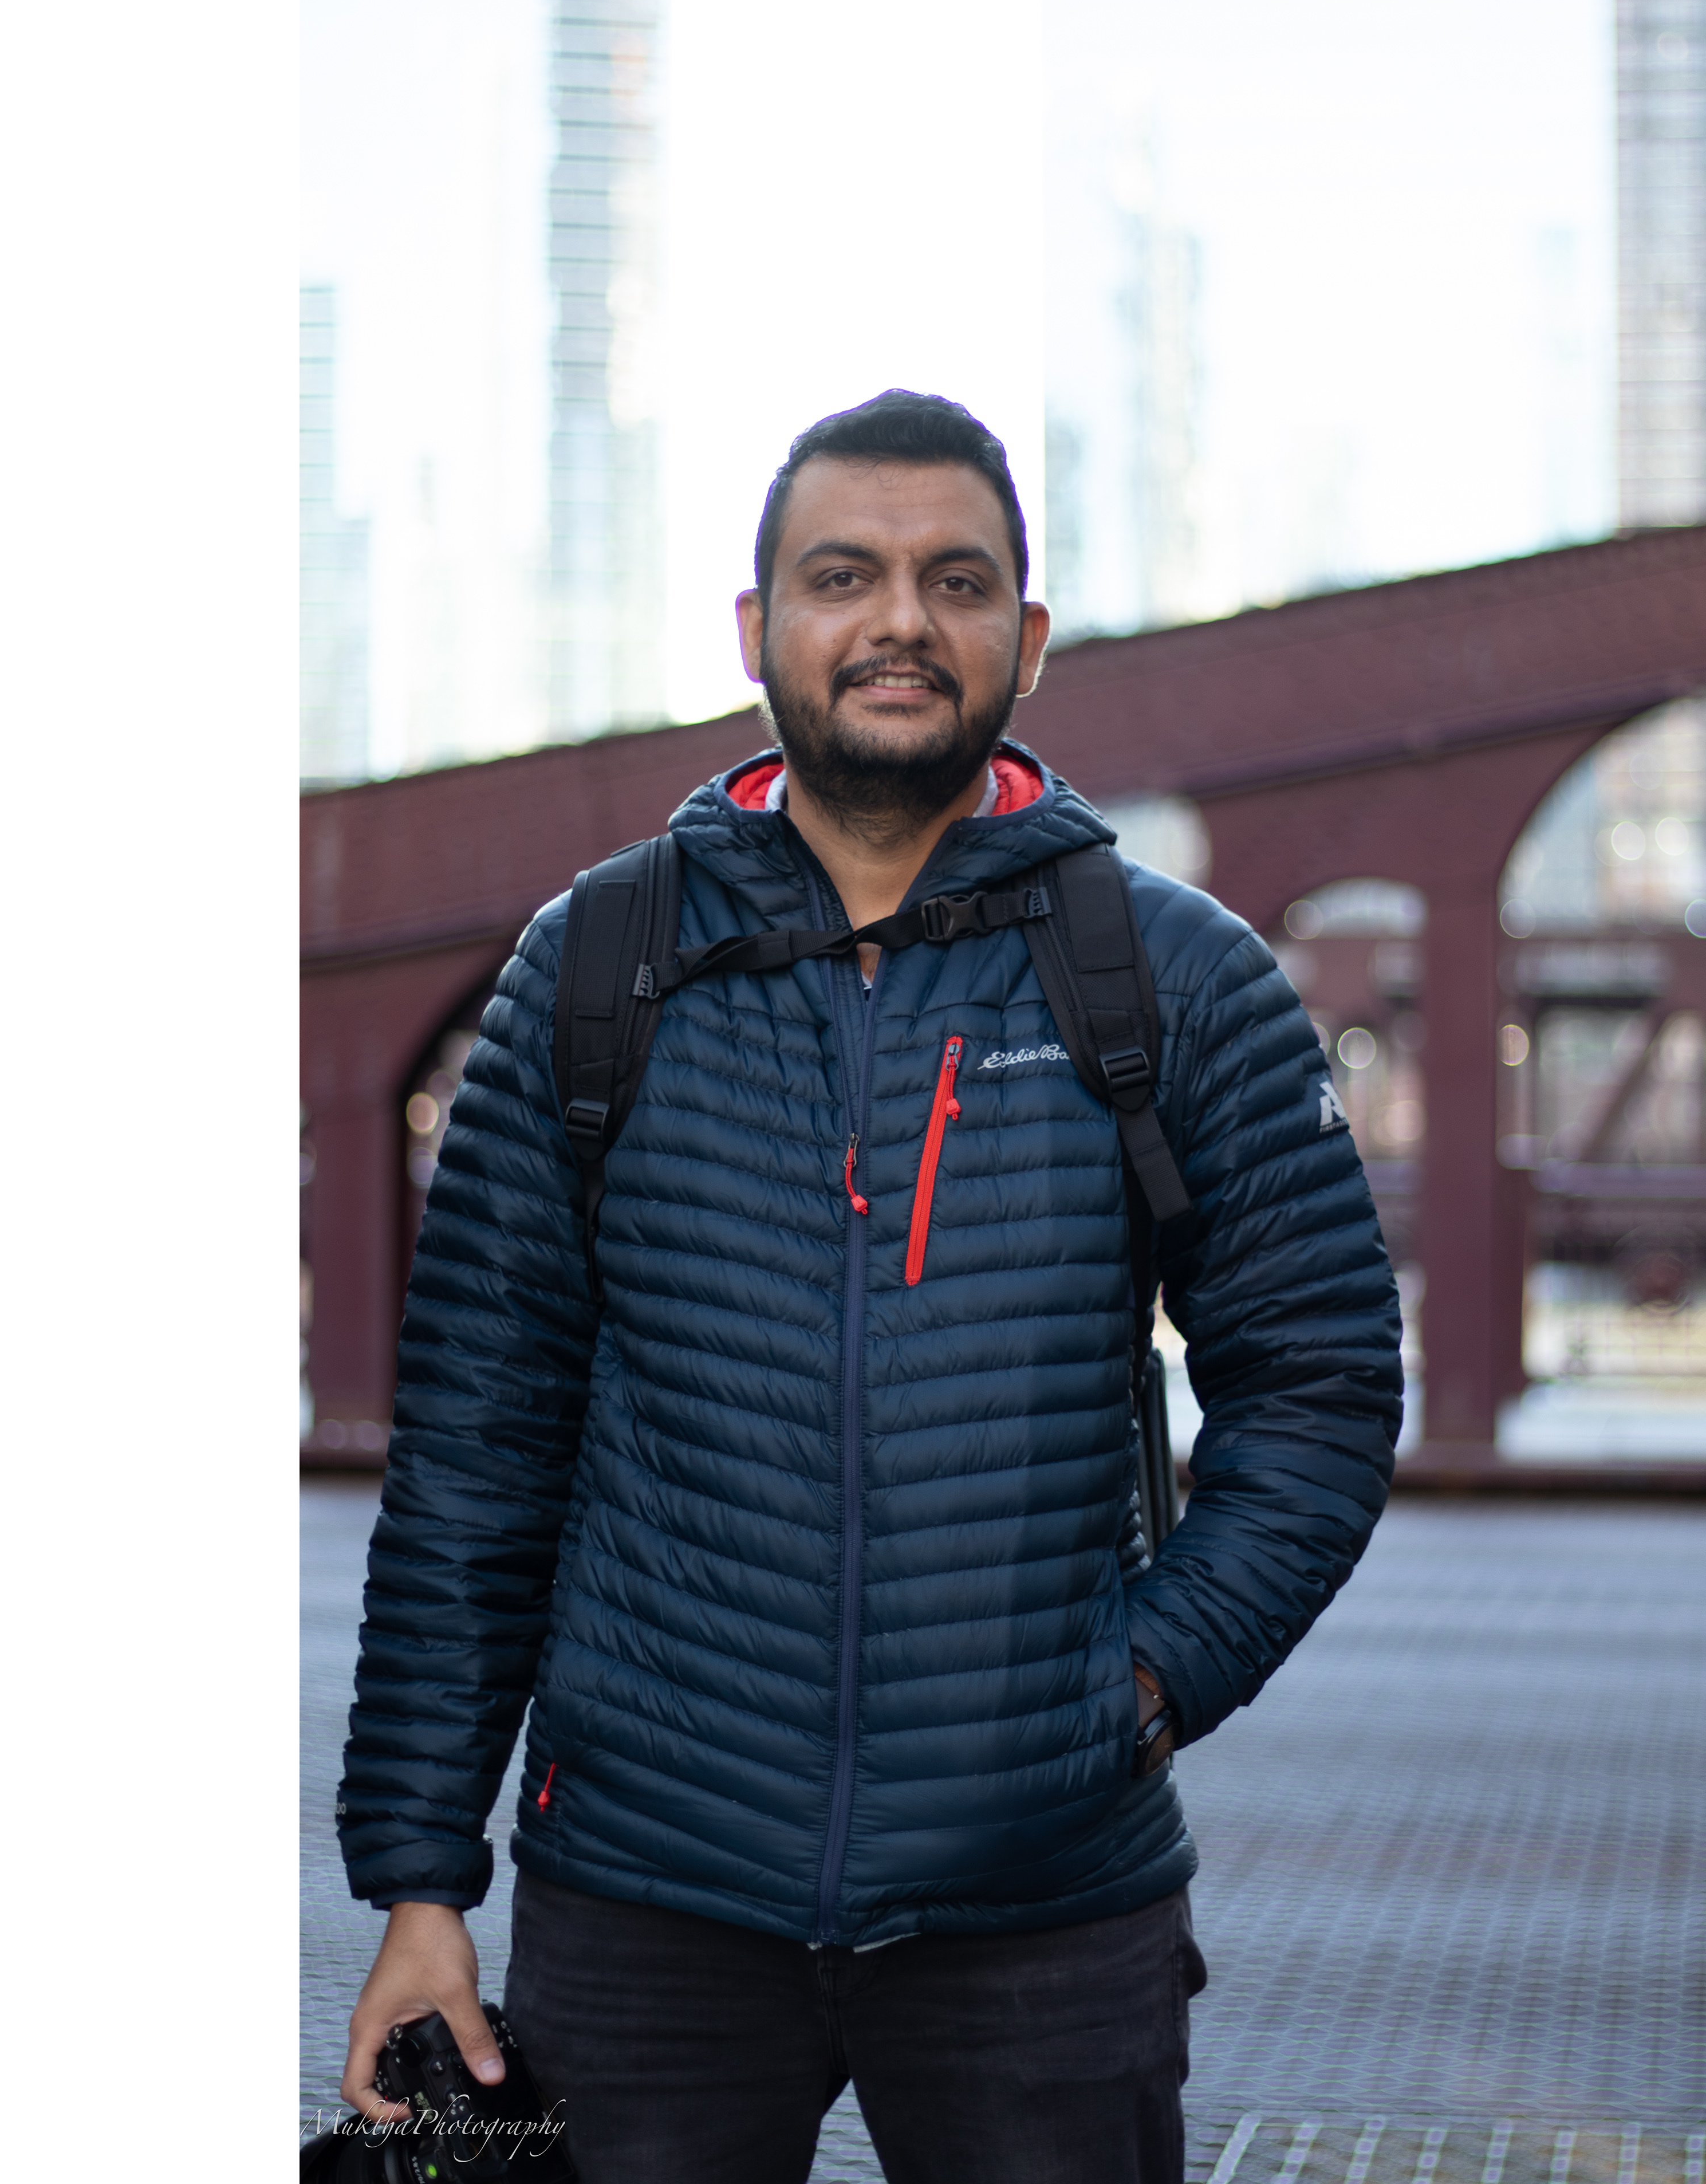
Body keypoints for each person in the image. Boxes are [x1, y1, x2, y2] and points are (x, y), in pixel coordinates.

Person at [335, 389, 1404, 2183]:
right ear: (756, 630)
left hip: (1045, 1905)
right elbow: (474, 1454)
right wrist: (421, 1884)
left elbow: (1324, 1383)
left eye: (954, 582)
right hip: (650, 1899)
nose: (900, 620)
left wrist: (1143, 1686)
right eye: (844, 577)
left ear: (1026, 644)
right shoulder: (597, 969)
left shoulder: (1171, 978)